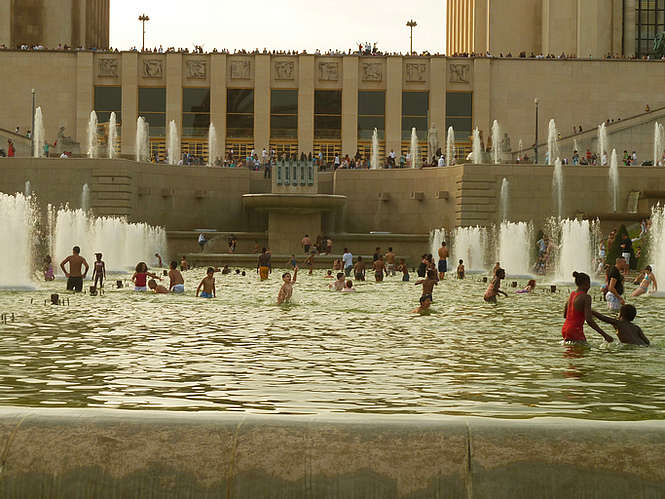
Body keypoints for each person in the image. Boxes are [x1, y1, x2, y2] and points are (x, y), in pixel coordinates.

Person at [562, 272, 614, 343]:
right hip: (575, 330)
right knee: (583, 352)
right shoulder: (586, 297)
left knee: (571, 353)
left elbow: (565, 315)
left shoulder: (572, 294)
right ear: (587, 284)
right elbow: (589, 320)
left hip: (565, 329)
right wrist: (605, 335)